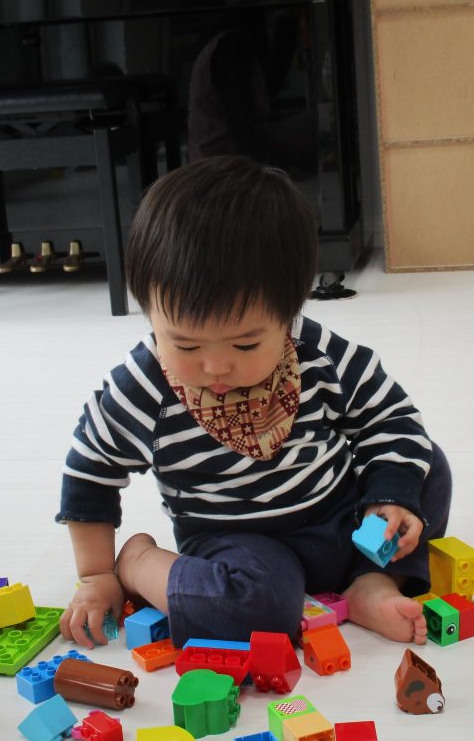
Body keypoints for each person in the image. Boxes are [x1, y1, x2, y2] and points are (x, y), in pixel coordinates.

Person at [56, 156, 451, 649]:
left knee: (425, 466)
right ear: (150, 314)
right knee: (260, 608)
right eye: (185, 345)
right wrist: (97, 575)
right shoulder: (142, 389)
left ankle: (372, 581)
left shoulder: (317, 353)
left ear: (288, 313)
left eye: (246, 344)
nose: (216, 366)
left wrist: (390, 497)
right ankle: (141, 563)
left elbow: (388, 417)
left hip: (342, 515)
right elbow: (89, 473)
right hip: (240, 550)